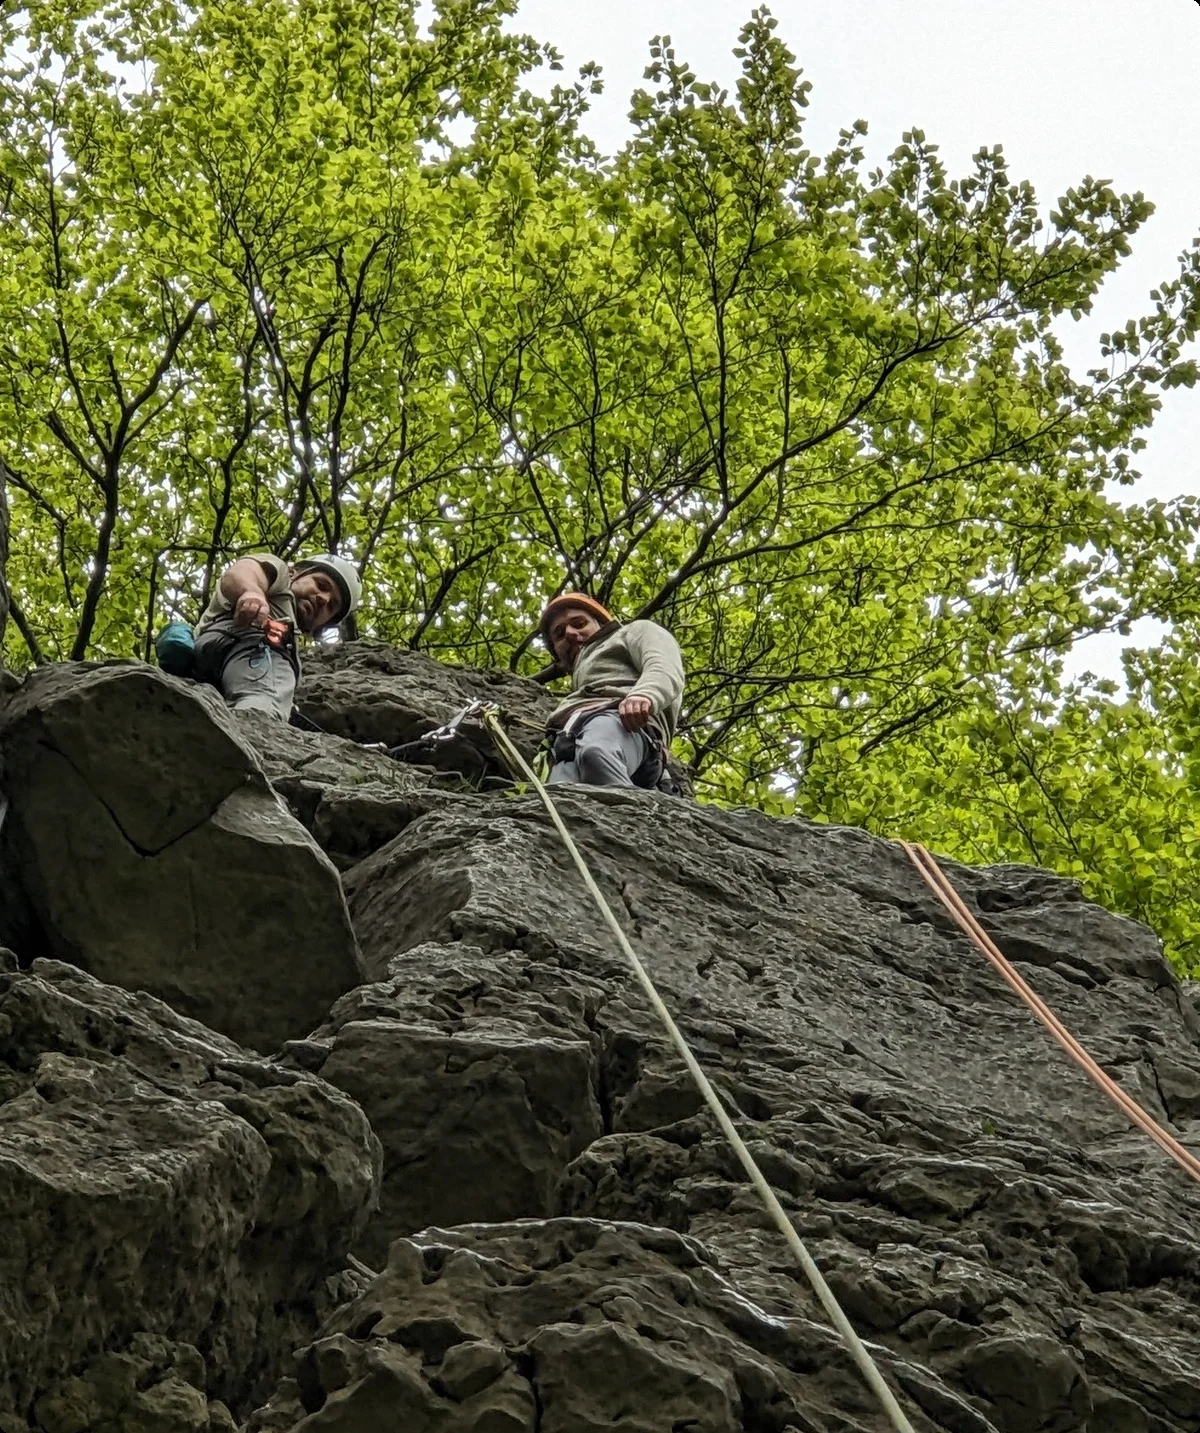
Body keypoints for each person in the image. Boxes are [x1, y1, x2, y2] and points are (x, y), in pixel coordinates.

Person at [540, 592, 685, 789]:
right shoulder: (582, 678)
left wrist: (644, 695)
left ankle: (633, 808)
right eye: (559, 634)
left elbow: (663, 664)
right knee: (558, 793)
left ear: (601, 623)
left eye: (580, 623)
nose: (570, 633)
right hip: (569, 739)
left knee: (596, 752)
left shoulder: (632, 632)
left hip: (624, 723)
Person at [193, 553, 361, 720]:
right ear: (293, 573)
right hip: (254, 651)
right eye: (321, 585)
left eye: (331, 606)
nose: (324, 599)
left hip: (205, 655)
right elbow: (241, 572)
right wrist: (251, 593)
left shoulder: (291, 637)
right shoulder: (280, 575)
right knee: (264, 708)